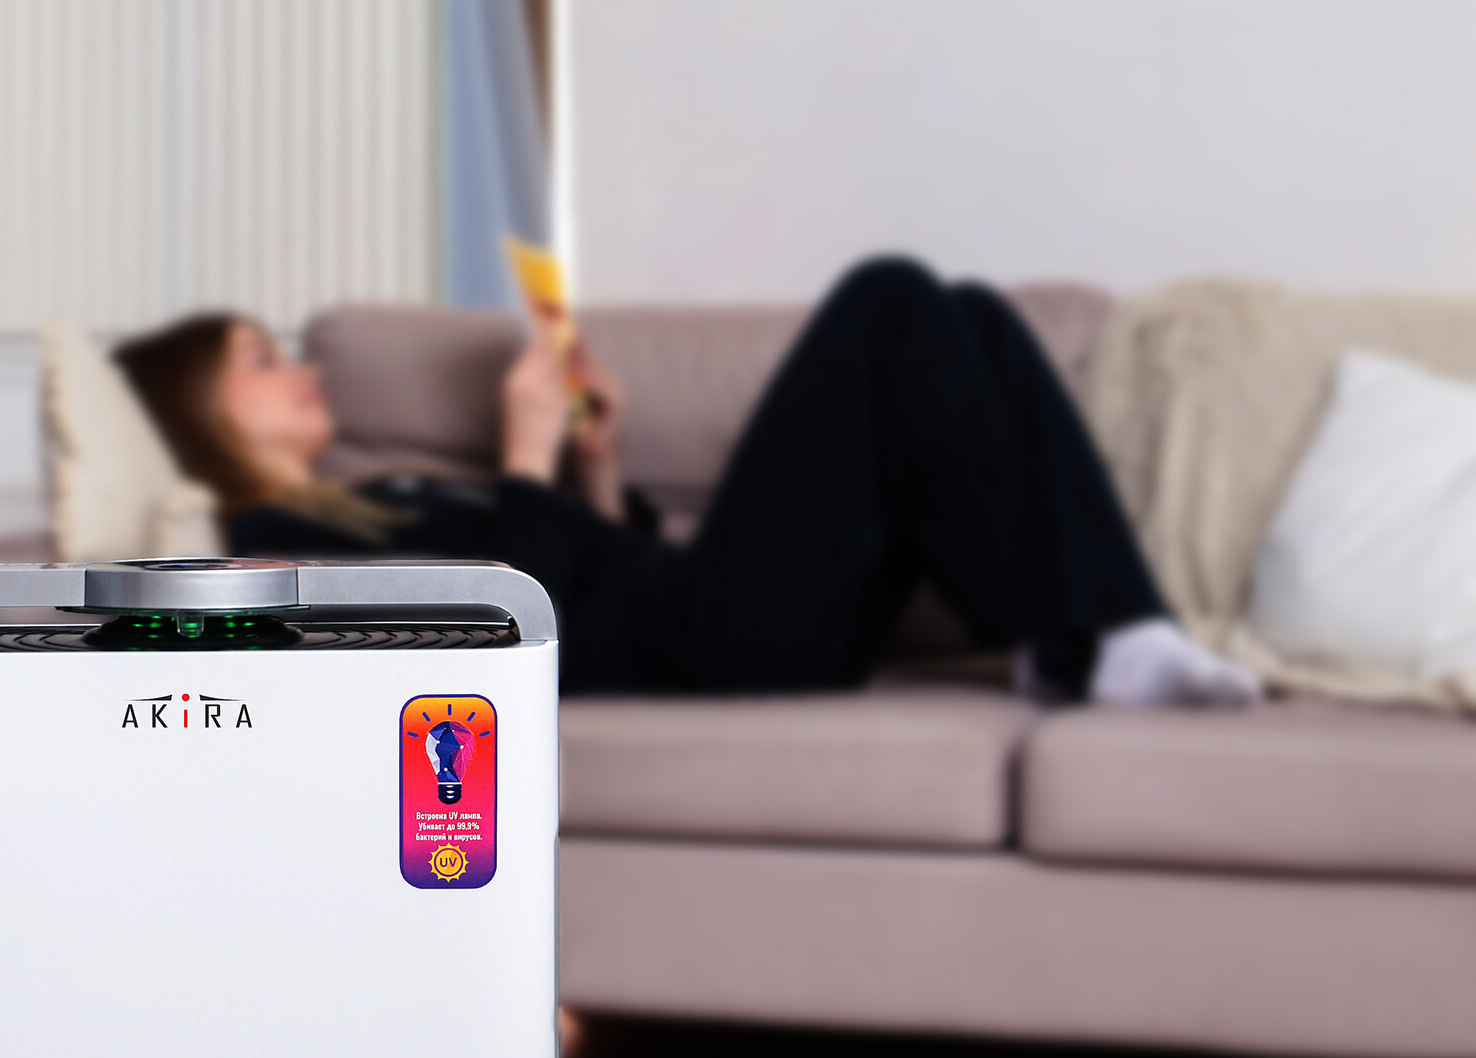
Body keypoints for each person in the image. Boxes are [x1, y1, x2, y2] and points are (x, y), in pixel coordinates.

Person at [112, 257, 1261, 706]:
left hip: (692, 605)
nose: (304, 370)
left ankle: (1099, 633)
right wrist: (522, 455)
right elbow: (490, 633)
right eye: (259, 362)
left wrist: (596, 463)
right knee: (886, 299)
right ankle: (1084, 638)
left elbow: (589, 564)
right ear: (200, 413)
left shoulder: (390, 487)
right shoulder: (263, 542)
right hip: (693, 646)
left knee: (971, 317)